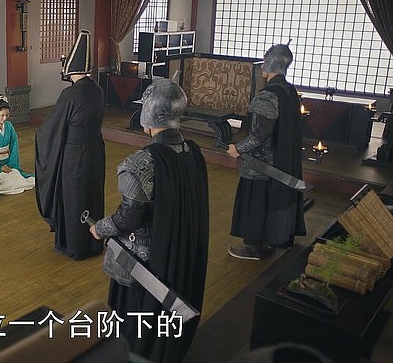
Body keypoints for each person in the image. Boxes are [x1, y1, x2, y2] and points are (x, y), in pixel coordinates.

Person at [89, 76, 209, 363]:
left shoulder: (140, 163)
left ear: (150, 112)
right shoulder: (194, 153)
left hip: (145, 261)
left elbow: (128, 217)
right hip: (181, 252)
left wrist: (100, 228)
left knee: (134, 318)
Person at [227, 44, 306, 260]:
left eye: (265, 59)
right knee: (275, 200)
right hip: (283, 160)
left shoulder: (267, 96)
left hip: (262, 165)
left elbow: (259, 135)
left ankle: (254, 247)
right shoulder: (290, 91)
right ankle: (276, 238)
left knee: (257, 203)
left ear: (270, 63)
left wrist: (237, 149)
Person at [35, 30, 105, 260]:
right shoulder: (98, 90)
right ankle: (94, 243)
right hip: (95, 150)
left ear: (71, 69)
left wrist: (40, 135)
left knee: (74, 197)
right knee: (92, 194)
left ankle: (75, 246)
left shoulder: (70, 94)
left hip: (74, 156)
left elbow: (53, 128)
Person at [0, 94, 35, 195]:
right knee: (7, 180)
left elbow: (14, 144)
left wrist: (11, 164)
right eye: (2, 115)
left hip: (8, 162)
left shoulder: (9, 126)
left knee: (17, 177)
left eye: (7, 115)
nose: (5, 118)